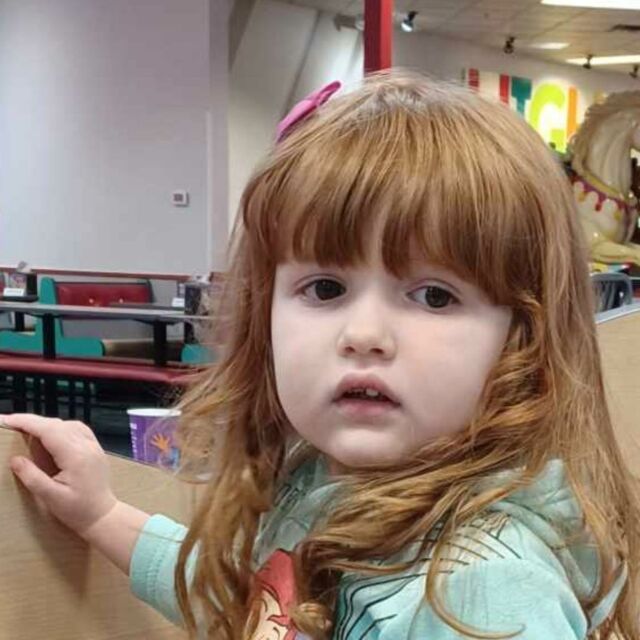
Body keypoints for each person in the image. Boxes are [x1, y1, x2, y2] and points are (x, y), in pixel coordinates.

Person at [3, 70, 640, 640]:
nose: (364, 333)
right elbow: (253, 604)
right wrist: (102, 514)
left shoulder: (483, 592)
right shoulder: (323, 478)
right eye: (326, 288)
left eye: (434, 296)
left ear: (522, 340)